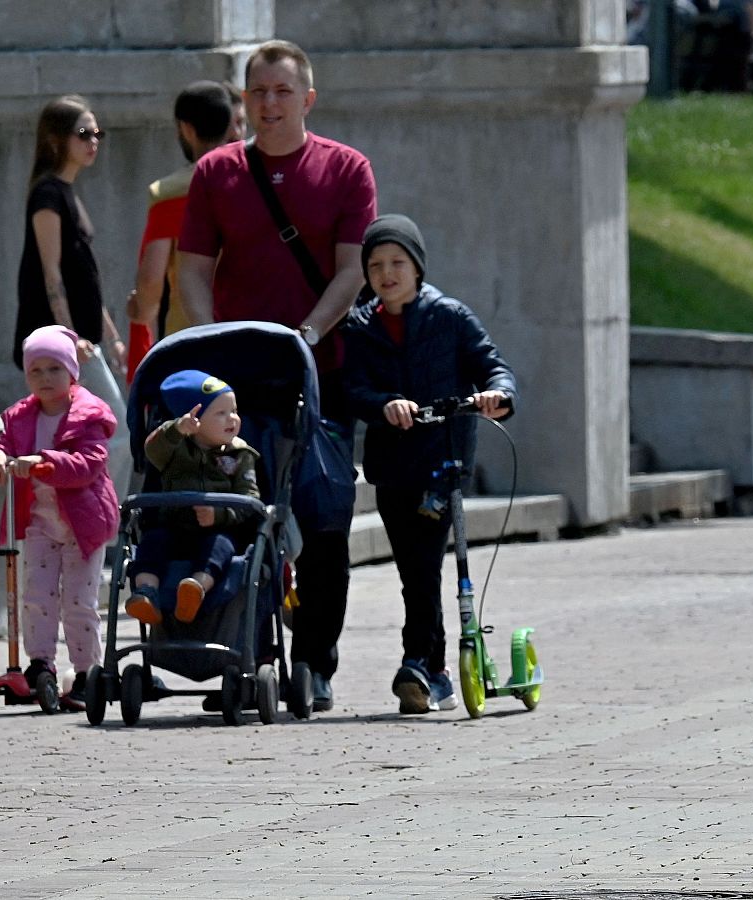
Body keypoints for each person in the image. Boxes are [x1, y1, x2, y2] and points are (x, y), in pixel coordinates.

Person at [178, 39, 378, 713]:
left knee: (323, 522)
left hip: (320, 373)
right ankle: (248, 656)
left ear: (307, 99)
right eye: (257, 92)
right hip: (237, 380)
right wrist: (209, 340)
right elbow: (194, 269)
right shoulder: (216, 172)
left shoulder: (347, 169)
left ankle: (315, 663)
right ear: (243, 101)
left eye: (282, 92)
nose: (269, 104)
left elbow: (352, 268)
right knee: (237, 517)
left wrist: (311, 332)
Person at [341, 215, 517, 714]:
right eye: (375, 265)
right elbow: (354, 389)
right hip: (394, 468)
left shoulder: (450, 317)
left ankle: (421, 664)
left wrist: (498, 395)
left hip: (444, 464)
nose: (387, 273)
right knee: (412, 571)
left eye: (397, 262)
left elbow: (492, 364)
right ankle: (431, 668)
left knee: (423, 567)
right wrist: (384, 404)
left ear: (417, 267)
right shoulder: (361, 327)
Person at [0, 325, 119, 712]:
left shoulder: (88, 415)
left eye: (54, 369)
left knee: (78, 601)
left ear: (72, 372)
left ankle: (86, 671)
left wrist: (44, 463)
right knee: (37, 596)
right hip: (41, 522)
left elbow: (90, 463)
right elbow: (4, 445)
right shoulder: (21, 416)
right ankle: (40, 663)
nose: (45, 378)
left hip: (83, 523)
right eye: (36, 371)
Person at [124, 82, 246, 384]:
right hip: (254, 332)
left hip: (189, 338)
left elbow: (152, 280)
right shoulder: (256, 180)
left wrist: (140, 309)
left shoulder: (171, 191)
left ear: (186, 129)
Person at [123, 370, 260, 626]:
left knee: (220, 547)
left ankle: (195, 588)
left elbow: (249, 500)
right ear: (194, 420)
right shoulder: (175, 451)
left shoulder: (241, 455)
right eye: (221, 413)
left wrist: (217, 514)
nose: (232, 418)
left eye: (234, 410)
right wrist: (176, 430)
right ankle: (146, 593)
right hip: (173, 527)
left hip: (217, 530)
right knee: (153, 541)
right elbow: (153, 449)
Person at [14, 95, 125, 374]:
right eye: (84, 134)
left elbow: (84, 275)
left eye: (97, 133)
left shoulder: (67, 192)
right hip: (60, 350)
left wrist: (114, 340)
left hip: (83, 343)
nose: (93, 141)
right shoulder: (47, 195)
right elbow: (52, 274)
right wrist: (69, 339)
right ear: (55, 139)